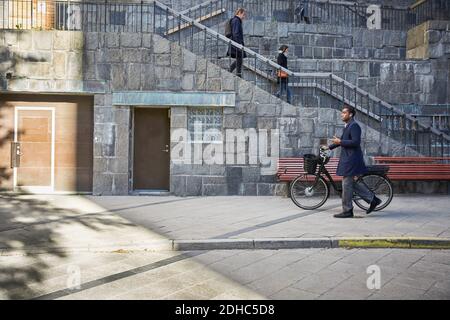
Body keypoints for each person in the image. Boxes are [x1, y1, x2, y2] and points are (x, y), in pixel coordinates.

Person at [325, 105, 381, 218]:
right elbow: (342, 141)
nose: (342, 114)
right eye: (342, 112)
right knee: (350, 184)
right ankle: (373, 199)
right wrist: (328, 147)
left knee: (346, 184)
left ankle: (347, 210)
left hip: (351, 159)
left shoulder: (354, 126)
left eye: (344, 112)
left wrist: (340, 141)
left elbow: (355, 142)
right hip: (348, 159)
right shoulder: (348, 126)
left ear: (350, 114)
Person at [227, 8, 246, 78]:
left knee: (239, 59)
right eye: (243, 15)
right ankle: (234, 72)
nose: (244, 17)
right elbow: (236, 33)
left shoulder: (236, 20)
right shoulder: (236, 21)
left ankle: (237, 74)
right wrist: (239, 44)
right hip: (236, 43)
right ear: (239, 13)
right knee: (239, 58)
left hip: (235, 43)